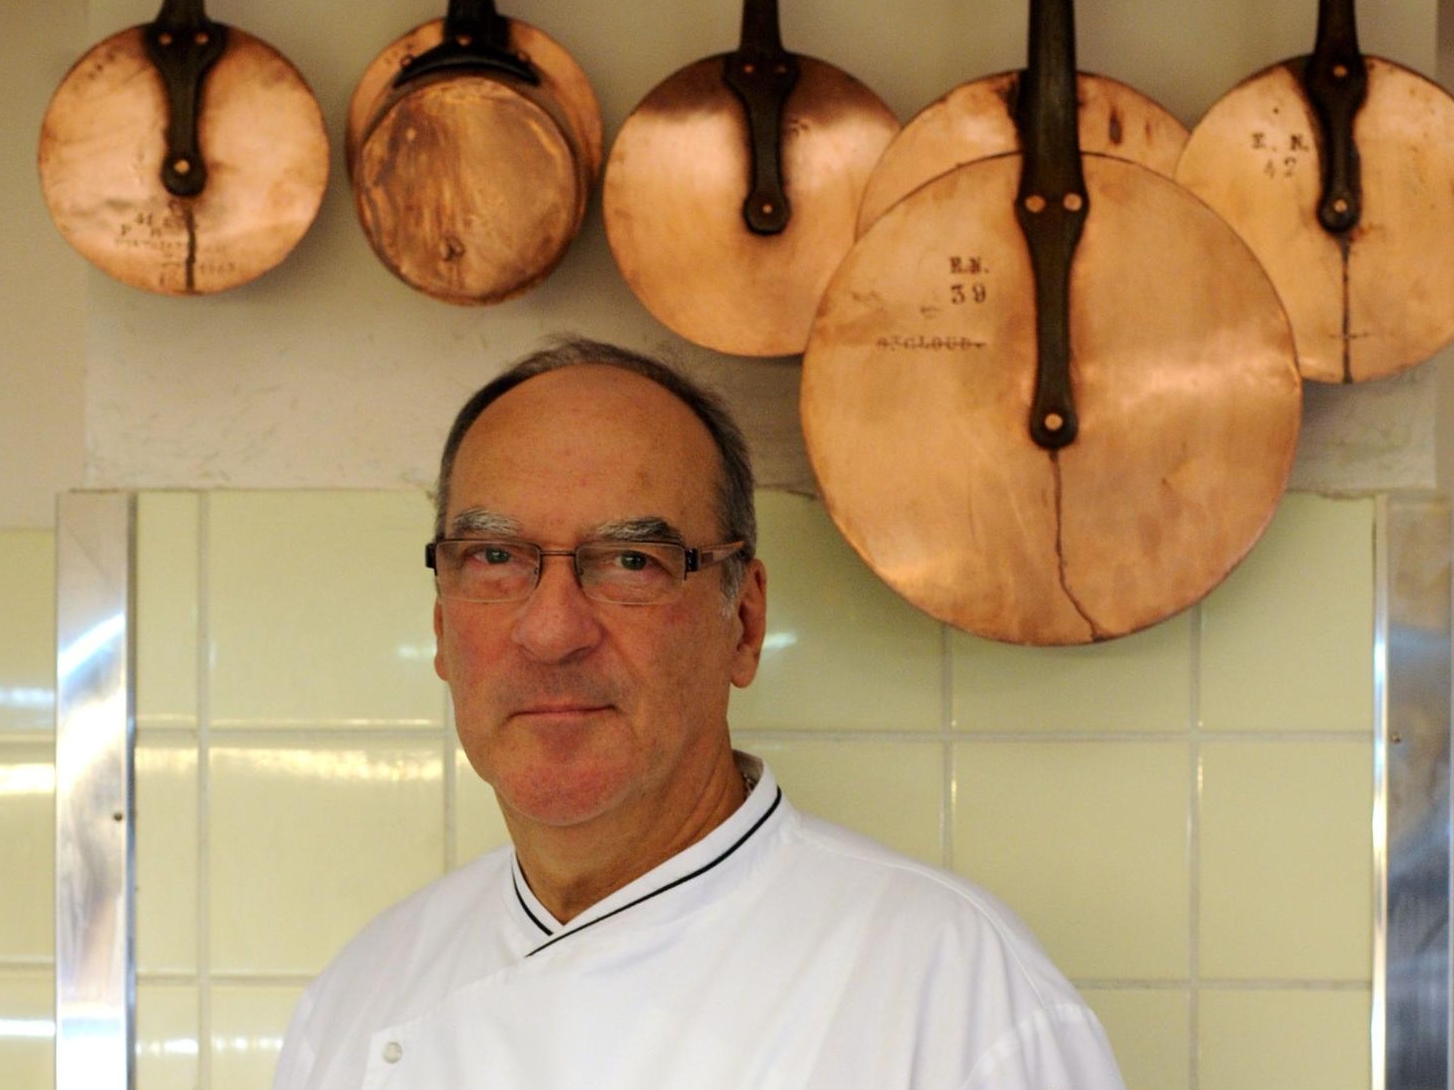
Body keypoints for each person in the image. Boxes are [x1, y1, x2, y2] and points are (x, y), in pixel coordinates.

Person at [271, 337, 1128, 1090]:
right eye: (495, 557)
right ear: (441, 630)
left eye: (631, 561)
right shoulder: (361, 995)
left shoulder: (953, 992)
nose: (552, 629)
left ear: (744, 623)